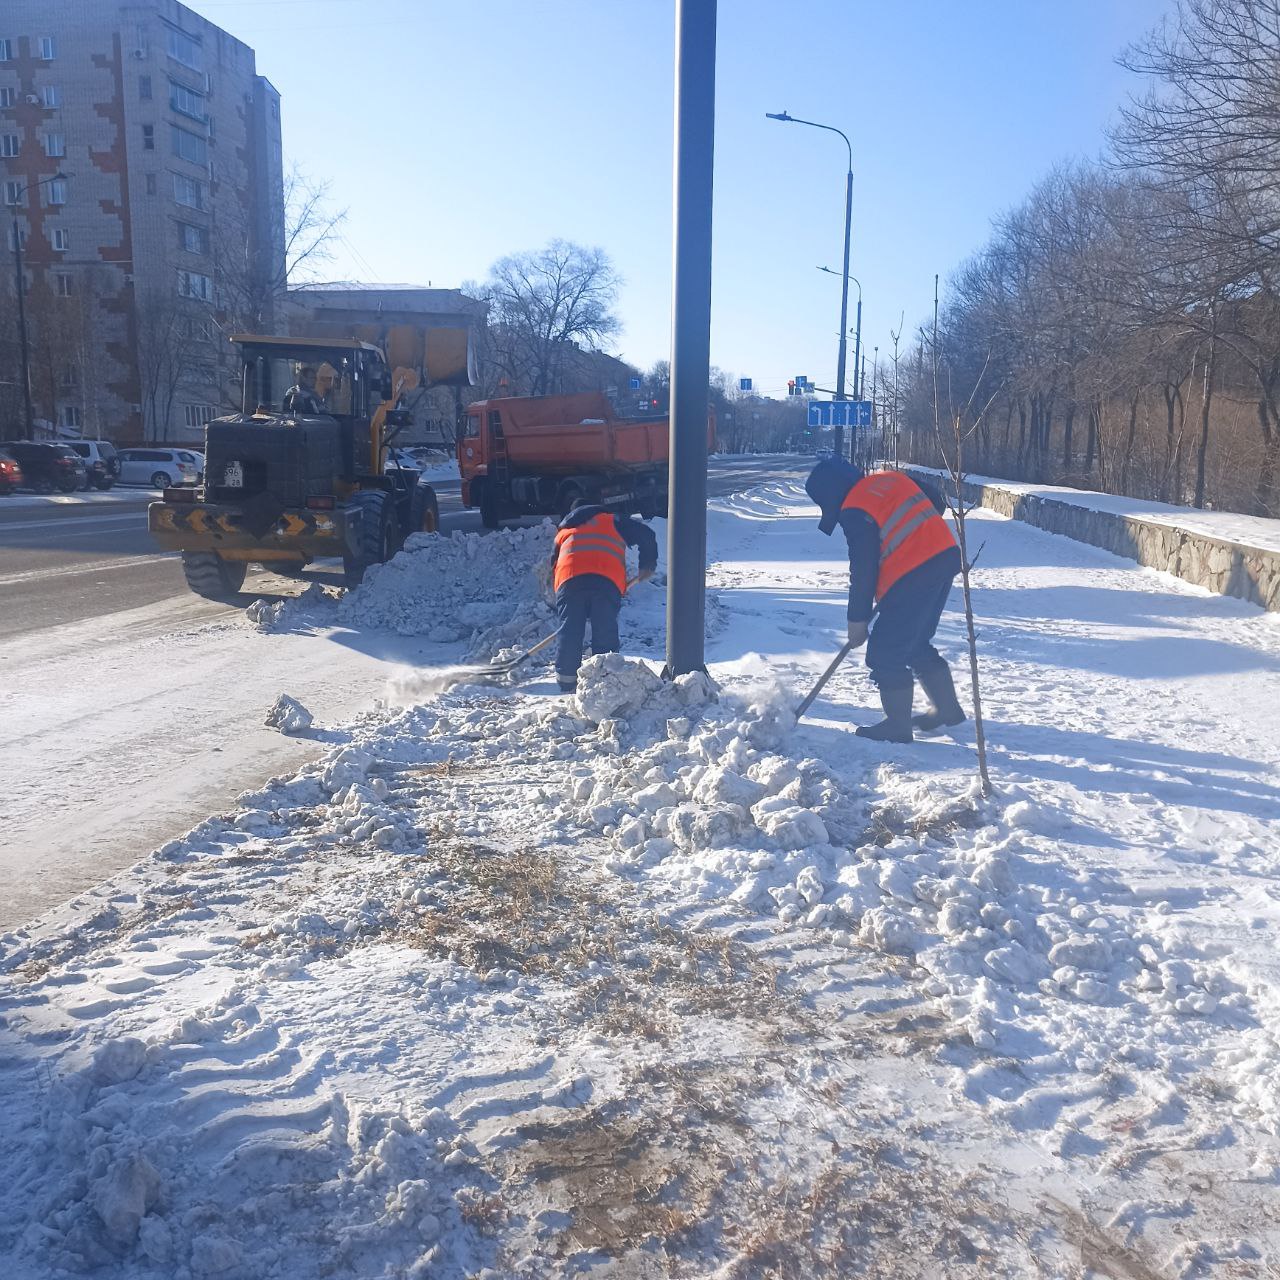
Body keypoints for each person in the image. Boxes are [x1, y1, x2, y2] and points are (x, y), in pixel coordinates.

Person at [805, 457, 965, 743]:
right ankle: (947, 710)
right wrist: (916, 538)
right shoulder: (891, 479)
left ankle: (897, 726)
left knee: (885, 651)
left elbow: (864, 568)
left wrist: (857, 620)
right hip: (945, 558)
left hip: (912, 574)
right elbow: (935, 501)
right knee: (914, 642)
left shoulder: (855, 508)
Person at [550, 500, 658, 693]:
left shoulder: (564, 532)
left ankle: (567, 682)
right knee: (604, 628)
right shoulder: (612, 521)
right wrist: (647, 565)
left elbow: (553, 565)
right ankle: (605, 680)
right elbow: (646, 534)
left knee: (570, 631)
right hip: (605, 581)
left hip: (569, 581)